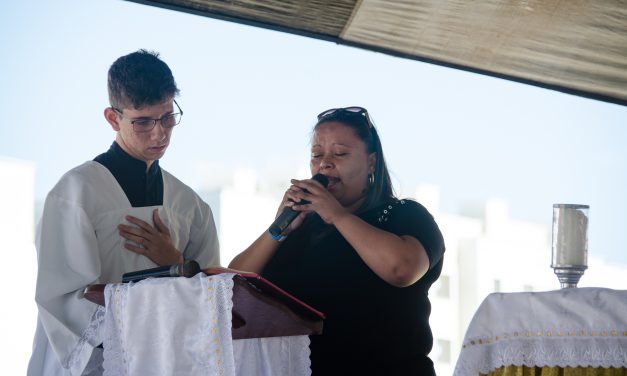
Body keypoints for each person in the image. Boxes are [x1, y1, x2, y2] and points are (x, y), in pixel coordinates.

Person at [28, 50, 220, 375]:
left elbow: (214, 298)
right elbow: (63, 301)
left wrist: (175, 264)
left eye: (168, 117)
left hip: (165, 363)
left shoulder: (189, 205)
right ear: (113, 118)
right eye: (143, 121)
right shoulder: (75, 193)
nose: (160, 133)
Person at [229, 106, 445, 375]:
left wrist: (336, 214)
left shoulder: (404, 214)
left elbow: (401, 269)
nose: (324, 164)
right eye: (316, 155)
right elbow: (230, 286)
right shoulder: (300, 228)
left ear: (371, 162)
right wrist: (278, 230)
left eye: (340, 153)